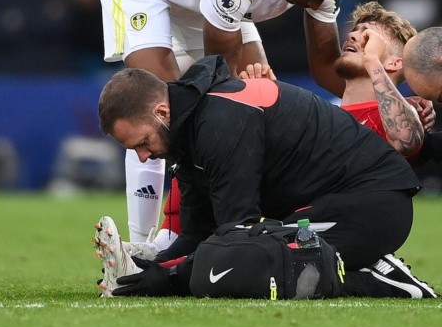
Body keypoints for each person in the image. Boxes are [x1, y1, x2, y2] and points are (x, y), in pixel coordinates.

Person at [94, 0, 364, 246]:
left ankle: (197, 236)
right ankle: (143, 248)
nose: (316, 5)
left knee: (265, 108)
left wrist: (378, 103)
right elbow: (216, 81)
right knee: (166, 107)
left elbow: (327, 69)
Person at [95, 54, 435, 299]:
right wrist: (143, 268)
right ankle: (357, 261)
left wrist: (168, 278)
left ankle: (381, 279)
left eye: (142, 143)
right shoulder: (187, 135)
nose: (143, 156)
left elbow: (236, 234)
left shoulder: (220, 122)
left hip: (372, 204)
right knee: (232, 261)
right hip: (340, 204)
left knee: (249, 266)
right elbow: (199, 233)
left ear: (162, 112)